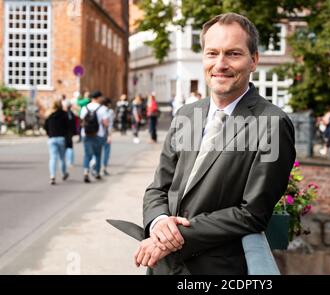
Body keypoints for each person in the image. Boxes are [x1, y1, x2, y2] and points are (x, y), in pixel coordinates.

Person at [133, 13, 296, 275]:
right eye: (212, 53)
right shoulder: (186, 115)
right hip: (162, 266)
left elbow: (253, 213)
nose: (220, 64)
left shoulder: (272, 124)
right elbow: (158, 188)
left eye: (233, 54)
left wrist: (172, 238)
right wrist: (159, 221)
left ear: (254, 60)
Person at [79, 91, 109, 183]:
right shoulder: (103, 108)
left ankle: (86, 172)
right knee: (97, 154)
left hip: (86, 134)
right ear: (98, 98)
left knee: (87, 154)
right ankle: (96, 172)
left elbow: (82, 120)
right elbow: (105, 123)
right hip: (98, 134)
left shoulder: (84, 107)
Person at [44, 99, 70, 185]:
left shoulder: (50, 115)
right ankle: (64, 173)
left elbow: (46, 127)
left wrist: (49, 134)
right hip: (61, 138)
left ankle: (52, 176)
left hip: (52, 139)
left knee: (53, 158)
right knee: (62, 158)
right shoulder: (64, 114)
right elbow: (68, 127)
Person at [61, 95, 77, 168]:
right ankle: (69, 161)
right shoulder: (71, 114)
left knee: (67, 147)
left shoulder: (64, 114)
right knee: (69, 147)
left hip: (65, 132)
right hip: (69, 132)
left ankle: (67, 161)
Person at [101, 97, 115, 176]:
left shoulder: (98, 109)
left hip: (97, 134)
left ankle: (93, 165)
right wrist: (110, 135)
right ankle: (104, 168)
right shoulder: (110, 111)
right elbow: (110, 125)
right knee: (106, 152)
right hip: (106, 134)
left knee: (97, 152)